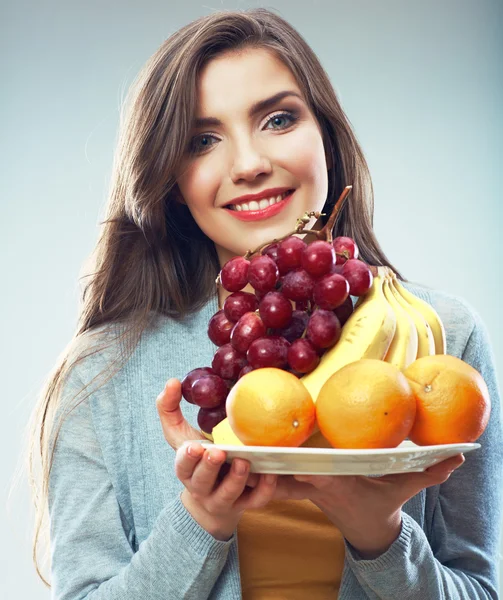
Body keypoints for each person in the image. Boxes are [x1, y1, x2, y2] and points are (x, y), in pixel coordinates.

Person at [28, 8, 502, 600]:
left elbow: (479, 589)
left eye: (278, 119)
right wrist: (202, 521)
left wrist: (379, 536)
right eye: (203, 140)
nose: (249, 164)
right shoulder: (99, 374)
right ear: (172, 179)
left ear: (325, 135)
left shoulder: (442, 338)